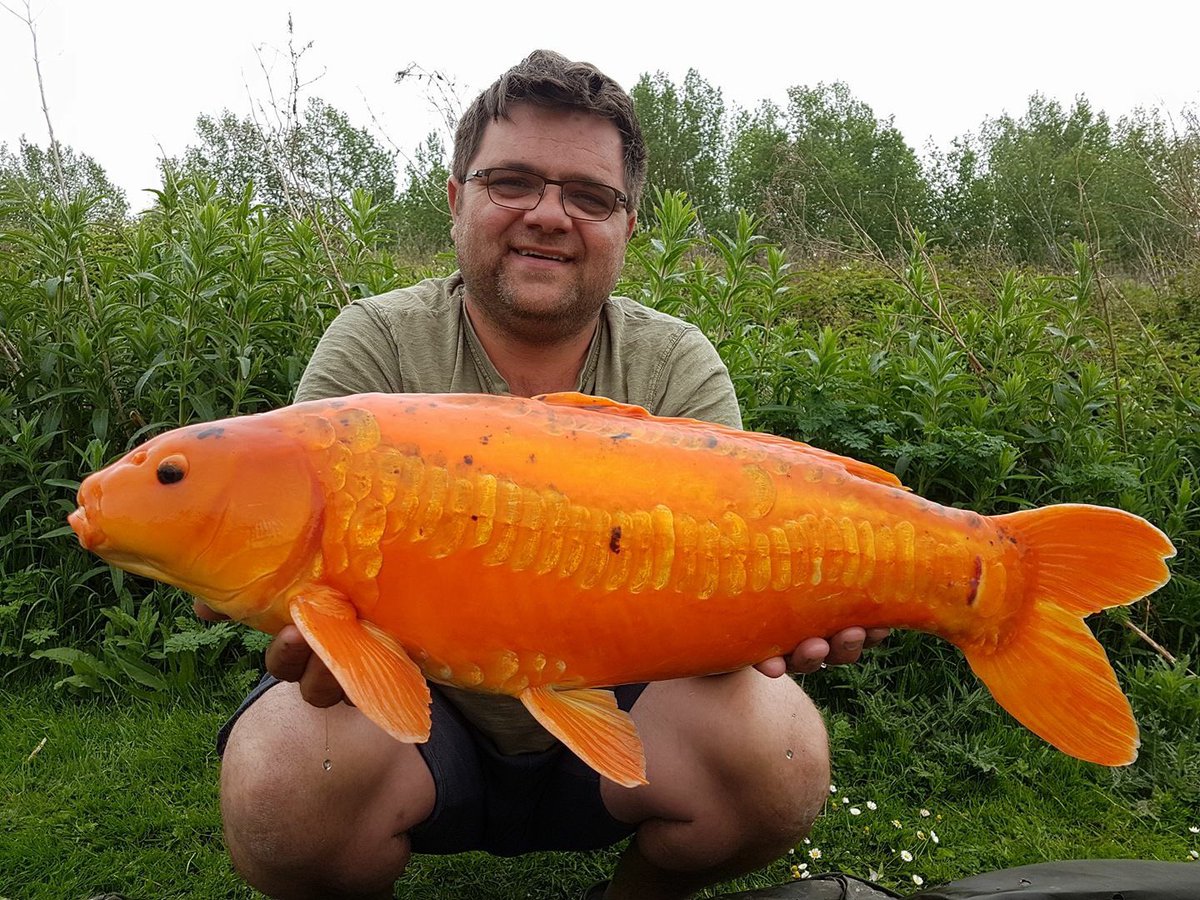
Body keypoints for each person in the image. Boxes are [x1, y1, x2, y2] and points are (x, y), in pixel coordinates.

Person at [206, 50, 887, 900]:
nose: (549, 216)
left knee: (781, 753)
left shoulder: (675, 364)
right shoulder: (374, 346)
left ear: (628, 224)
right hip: (420, 723)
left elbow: (721, 625)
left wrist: (799, 609)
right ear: (457, 200)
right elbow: (310, 601)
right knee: (280, 785)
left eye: (589, 196)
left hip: (626, 717)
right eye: (513, 182)